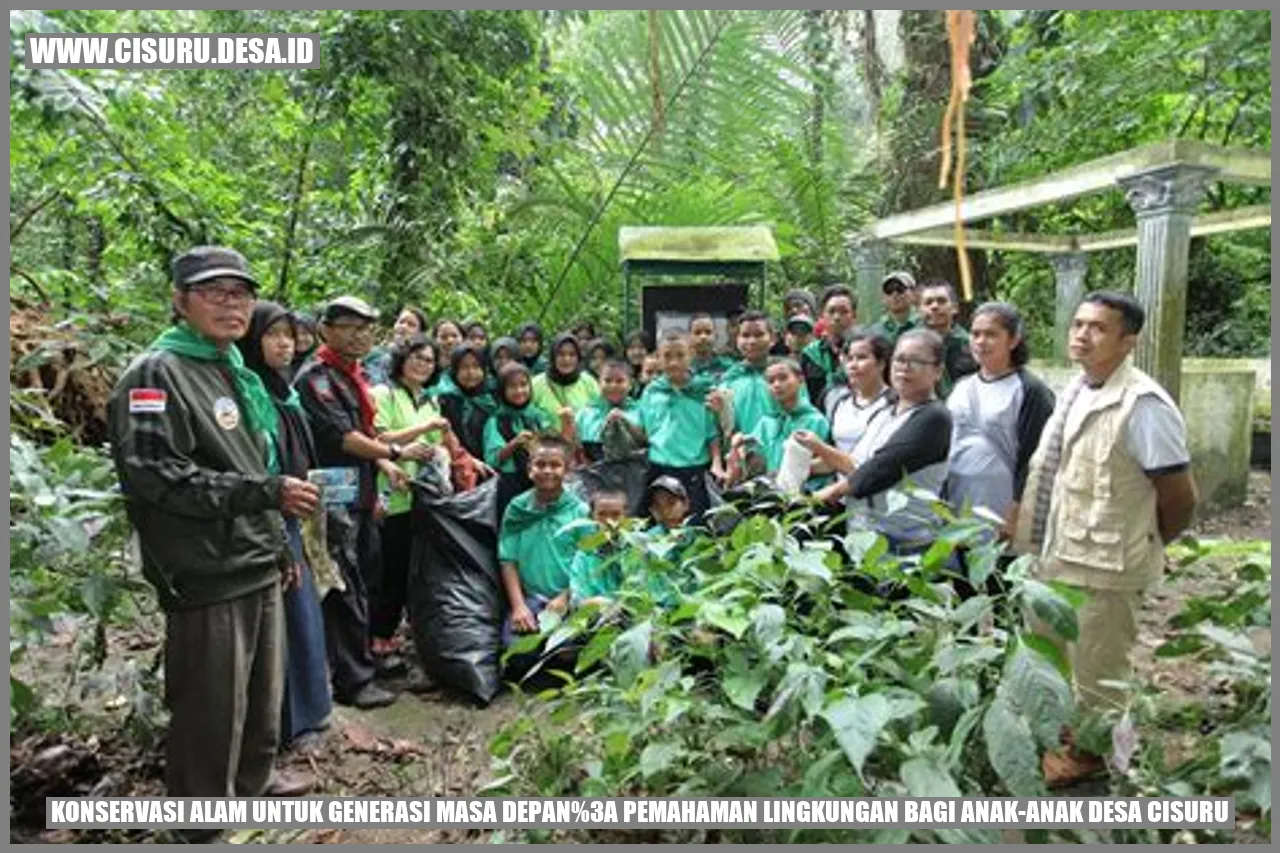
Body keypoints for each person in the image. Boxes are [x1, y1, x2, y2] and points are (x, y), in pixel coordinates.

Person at [108, 247, 318, 819]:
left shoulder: (233, 369)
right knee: (210, 704)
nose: (233, 304)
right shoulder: (156, 373)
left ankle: (251, 787)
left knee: (261, 693)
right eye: (215, 292)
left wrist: (278, 540)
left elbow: (252, 458)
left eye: (242, 294)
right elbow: (158, 476)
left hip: (254, 554)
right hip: (206, 567)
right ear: (179, 301)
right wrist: (264, 493)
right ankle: (199, 821)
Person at [1014, 291, 1197, 786]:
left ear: (1128, 341)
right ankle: (1063, 740)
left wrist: (1148, 542)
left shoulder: (1143, 406)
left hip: (1109, 565)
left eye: (1097, 328)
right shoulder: (1077, 390)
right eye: (1078, 325)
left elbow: (1179, 497)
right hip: (1057, 554)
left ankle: (1090, 759)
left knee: (1099, 668)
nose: (1082, 335)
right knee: (1053, 656)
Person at [296, 295, 413, 709]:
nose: (360, 335)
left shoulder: (353, 376)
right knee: (342, 585)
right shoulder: (317, 379)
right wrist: (396, 455)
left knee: (366, 576)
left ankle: (363, 659)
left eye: (366, 327)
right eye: (349, 326)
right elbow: (343, 437)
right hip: (332, 498)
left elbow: (367, 434)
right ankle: (352, 680)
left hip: (359, 494)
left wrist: (385, 468)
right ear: (324, 330)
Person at [234, 301, 333, 756]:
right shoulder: (249, 393)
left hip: (297, 515)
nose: (285, 344)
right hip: (272, 521)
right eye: (274, 335)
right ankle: (289, 725)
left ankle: (312, 713)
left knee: (304, 616)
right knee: (286, 622)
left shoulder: (283, 390)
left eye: (290, 335)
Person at [814, 329, 952, 554]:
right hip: (864, 533)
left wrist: (826, 494)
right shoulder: (886, 411)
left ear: (937, 371)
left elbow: (880, 469)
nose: (904, 367)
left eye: (915, 361)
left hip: (906, 540)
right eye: (899, 359)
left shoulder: (934, 418)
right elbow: (855, 462)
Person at [370, 335, 461, 658]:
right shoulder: (384, 394)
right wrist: (420, 433)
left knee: (413, 569)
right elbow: (376, 438)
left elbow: (437, 446)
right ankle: (379, 636)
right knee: (390, 570)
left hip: (422, 499)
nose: (423, 364)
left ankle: (399, 633)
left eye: (429, 360)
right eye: (416, 357)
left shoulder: (429, 401)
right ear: (401, 359)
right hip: (391, 494)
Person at [945, 302, 1054, 536]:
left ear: (1013, 340)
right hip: (958, 499)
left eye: (991, 334)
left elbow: (1034, 458)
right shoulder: (962, 387)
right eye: (975, 334)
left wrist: (1014, 515)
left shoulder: (1031, 391)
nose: (981, 342)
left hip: (1002, 507)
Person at [498, 435, 589, 638]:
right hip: (530, 600)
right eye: (540, 464)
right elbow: (507, 560)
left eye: (555, 465)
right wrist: (519, 607)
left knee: (568, 651)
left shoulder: (580, 511)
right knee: (518, 656)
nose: (547, 471)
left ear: (566, 470)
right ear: (530, 469)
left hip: (572, 598)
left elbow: (589, 563)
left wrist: (566, 597)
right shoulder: (517, 508)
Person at [639, 330, 724, 519]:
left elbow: (712, 433)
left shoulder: (703, 390)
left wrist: (717, 463)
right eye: (667, 356)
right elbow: (644, 430)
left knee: (694, 523)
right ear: (658, 359)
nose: (674, 362)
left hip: (694, 466)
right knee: (659, 522)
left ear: (691, 355)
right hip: (659, 465)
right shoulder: (652, 391)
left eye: (680, 355)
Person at [727, 358, 831, 493]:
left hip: (806, 495)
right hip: (770, 495)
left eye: (783, 378)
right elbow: (755, 460)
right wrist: (740, 448)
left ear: (800, 379)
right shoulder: (766, 422)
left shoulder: (815, 420)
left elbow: (824, 463)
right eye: (771, 381)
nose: (776, 384)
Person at [485, 361, 555, 521]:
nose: (519, 391)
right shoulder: (496, 420)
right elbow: (493, 459)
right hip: (511, 484)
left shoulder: (539, 416)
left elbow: (554, 447)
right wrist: (514, 444)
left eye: (523, 385)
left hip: (541, 481)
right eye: (512, 386)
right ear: (502, 391)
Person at [822, 329, 893, 456]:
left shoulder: (895, 404)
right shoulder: (839, 403)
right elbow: (834, 457)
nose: (853, 365)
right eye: (849, 359)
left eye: (861, 358)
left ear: (881, 363)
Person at [711, 310, 776, 439]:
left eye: (759, 335)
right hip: (738, 453)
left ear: (773, 338)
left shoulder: (785, 377)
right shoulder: (728, 380)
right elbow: (721, 426)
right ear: (737, 339)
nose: (752, 341)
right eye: (745, 335)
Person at [568, 489, 631, 610]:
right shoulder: (584, 555)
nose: (608, 521)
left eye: (616, 514)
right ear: (592, 517)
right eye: (602, 514)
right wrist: (597, 602)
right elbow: (577, 599)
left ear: (625, 516)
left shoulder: (635, 550)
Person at [574, 359, 646, 464]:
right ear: (599, 383)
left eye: (620, 381)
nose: (613, 386)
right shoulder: (585, 413)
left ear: (631, 384)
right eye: (607, 381)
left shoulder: (642, 411)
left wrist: (624, 422)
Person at [435, 343, 498, 462]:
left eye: (476, 366)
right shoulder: (445, 398)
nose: (471, 373)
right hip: (456, 464)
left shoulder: (494, 396)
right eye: (464, 367)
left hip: (492, 466)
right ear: (454, 370)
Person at [800, 283, 858, 407]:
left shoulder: (863, 353)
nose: (837, 317)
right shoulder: (810, 355)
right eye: (831, 311)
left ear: (854, 316)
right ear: (822, 316)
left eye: (844, 311)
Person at [918, 280, 978, 398]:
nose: (934, 306)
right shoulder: (909, 347)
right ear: (919, 310)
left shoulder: (971, 345)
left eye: (941, 301)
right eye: (928, 302)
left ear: (954, 307)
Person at [530, 332, 600, 433]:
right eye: (561, 354)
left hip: (581, 446)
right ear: (553, 357)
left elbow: (598, 415)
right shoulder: (536, 384)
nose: (567, 359)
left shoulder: (588, 382)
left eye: (572, 355)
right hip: (546, 446)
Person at [365, 305, 427, 387]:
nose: (404, 327)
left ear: (420, 334)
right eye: (401, 322)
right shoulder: (372, 353)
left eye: (411, 325)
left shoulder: (420, 364)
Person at [870, 271, 921, 344]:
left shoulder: (925, 324)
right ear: (883, 297)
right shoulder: (875, 330)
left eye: (900, 289)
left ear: (914, 293)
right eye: (889, 290)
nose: (894, 294)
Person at [689, 313, 734, 381]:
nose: (703, 337)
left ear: (716, 336)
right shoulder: (683, 368)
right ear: (690, 337)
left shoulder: (728, 366)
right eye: (697, 333)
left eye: (708, 332)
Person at [290, 311, 318, 377]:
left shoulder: (322, 362)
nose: (299, 338)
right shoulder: (279, 361)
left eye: (305, 333)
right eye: (294, 334)